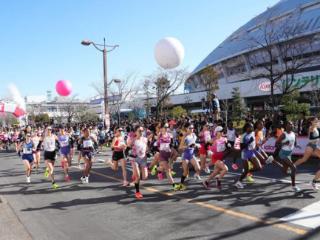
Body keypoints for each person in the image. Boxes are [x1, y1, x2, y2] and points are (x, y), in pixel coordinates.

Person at [294, 117, 320, 190]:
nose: (317, 121)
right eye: (316, 120)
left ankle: (314, 181)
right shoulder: (311, 128)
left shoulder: (317, 127)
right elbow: (311, 138)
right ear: (312, 122)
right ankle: (293, 166)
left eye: (317, 120)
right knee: (304, 159)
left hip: (315, 146)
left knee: (304, 159)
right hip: (311, 146)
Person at [274, 121, 301, 192]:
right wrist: (284, 143)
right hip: (282, 153)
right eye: (289, 124)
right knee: (293, 168)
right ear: (286, 126)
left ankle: (273, 161)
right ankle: (293, 186)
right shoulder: (283, 135)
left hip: (289, 153)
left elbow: (295, 143)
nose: (291, 125)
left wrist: (297, 145)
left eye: (292, 124)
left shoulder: (294, 134)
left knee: (284, 171)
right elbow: (276, 144)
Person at [235, 123, 263, 189]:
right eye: (251, 127)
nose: (252, 128)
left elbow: (259, 128)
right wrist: (249, 142)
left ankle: (246, 172)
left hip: (251, 152)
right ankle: (239, 182)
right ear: (247, 128)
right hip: (245, 154)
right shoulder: (243, 136)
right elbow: (241, 148)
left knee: (259, 167)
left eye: (252, 127)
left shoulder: (253, 133)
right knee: (246, 170)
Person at [203, 126, 228, 190]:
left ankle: (206, 182)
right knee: (225, 169)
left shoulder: (225, 139)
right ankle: (218, 180)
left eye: (223, 131)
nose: (223, 132)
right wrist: (208, 150)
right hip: (215, 158)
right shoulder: (213, 140)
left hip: (221, 158)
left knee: (216, 172)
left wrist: (228, 146)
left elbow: (227, 148)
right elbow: (206, 146)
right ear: (217, 132)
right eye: (221, 131)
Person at [177, 124, 201, 191]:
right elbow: (180, 147)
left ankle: (196, 175)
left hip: (192, 155)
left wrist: (196, 145)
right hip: (185, 155)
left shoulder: (194, 135)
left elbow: (195, 144)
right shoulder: (185, 136)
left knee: (198, 168)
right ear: (187, 128)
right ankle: (181, 184)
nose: (191, 129)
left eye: (192, 128)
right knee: (185, 172)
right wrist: (188, 146)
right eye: (190, 128)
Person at [156, 123, 179, 190]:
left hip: (168, 154)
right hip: (162, 154)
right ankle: (174, 186)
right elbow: (157, 145)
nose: (166, 128)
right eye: (165, 127)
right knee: (168, 170)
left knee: (163, 168)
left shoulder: (170, 135)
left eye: (167, 127)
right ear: (161, 128)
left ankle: (157, 169)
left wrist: (172, 152)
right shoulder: (159, 135)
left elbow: (171, 145)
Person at [127, 126, 148, 199]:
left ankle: (135, 176)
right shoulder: (133, 140)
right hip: (134, 159)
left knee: (145, 177)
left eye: (142, 130)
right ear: (136, 131)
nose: (141, 132)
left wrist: (148, 152)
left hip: (143, 159)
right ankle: (137, 192)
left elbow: (147, 148)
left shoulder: (145, 139)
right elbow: (127, 148)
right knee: (138, 176)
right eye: (139, 131)